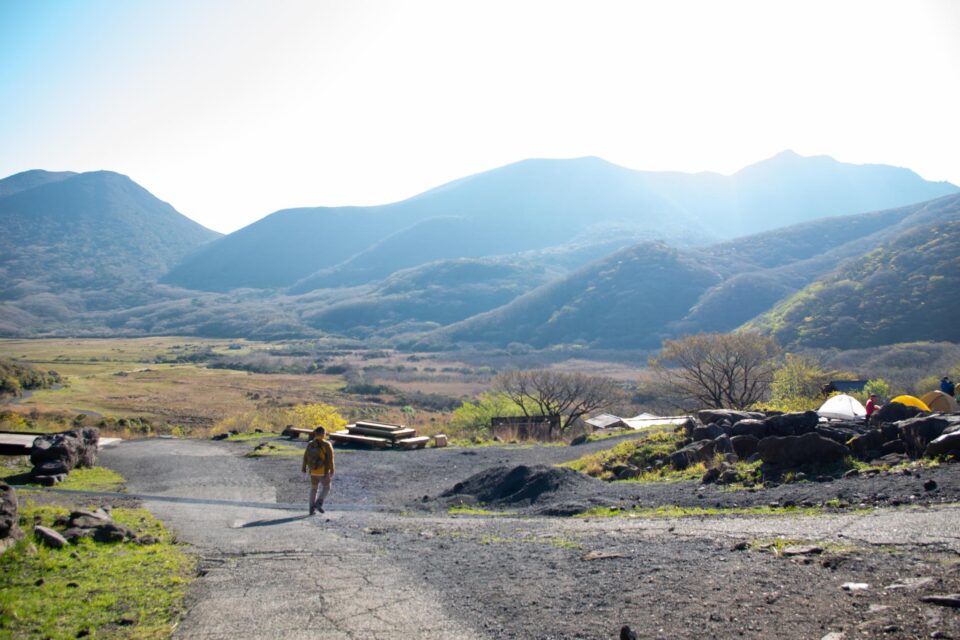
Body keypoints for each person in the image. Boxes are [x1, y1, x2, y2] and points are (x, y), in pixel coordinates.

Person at [302, 426, 335, 515]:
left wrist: (304, 469)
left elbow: (305, 457)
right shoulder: (327, 444)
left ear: (315, 434)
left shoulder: (310, 444)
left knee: (313, 489)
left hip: (312, 471)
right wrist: (332, 470)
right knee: (327, 487)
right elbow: (330, 459)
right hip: (323, 471)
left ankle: (311, 509)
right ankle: (318, 503)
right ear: (323, 434)